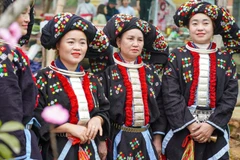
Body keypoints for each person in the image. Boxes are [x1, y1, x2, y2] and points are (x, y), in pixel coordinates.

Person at [162, 1, 239, 159]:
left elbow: (230, 95)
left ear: (213, 27)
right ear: (188, 27)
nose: (200, 28)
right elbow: (170, 93)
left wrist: (211, 125)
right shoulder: (177, 56)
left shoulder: (225, 59)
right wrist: (190, 124)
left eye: (206, 23)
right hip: (182, 129)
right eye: (194, 23)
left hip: (214, 130)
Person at [34, 12, 111, 160]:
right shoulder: (44, 78)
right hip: (56, 149)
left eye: (82, 43)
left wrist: (97, 120)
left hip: (89, 149)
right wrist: (69, 127)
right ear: (58, 44)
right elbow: (37, 116)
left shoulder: (92, 80)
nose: (77, 47)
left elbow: (104, 109)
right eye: (70, 42)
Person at [99, 14, 168, 159]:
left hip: (145, 139)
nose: (136, 44)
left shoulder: (151, 72)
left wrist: (157, 138)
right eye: (130, 39)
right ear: (118, 41)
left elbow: (160, 105)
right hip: (117, 138)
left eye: (140, 40)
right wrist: (102, 141)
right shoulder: (108, 73)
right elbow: (101, 108)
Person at [0, 0, 42, 159]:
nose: (28, 19)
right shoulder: (4, 54)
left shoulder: (10, 51)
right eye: (22, 13)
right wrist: (18, 149)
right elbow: (8, 103)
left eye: (28, 13)